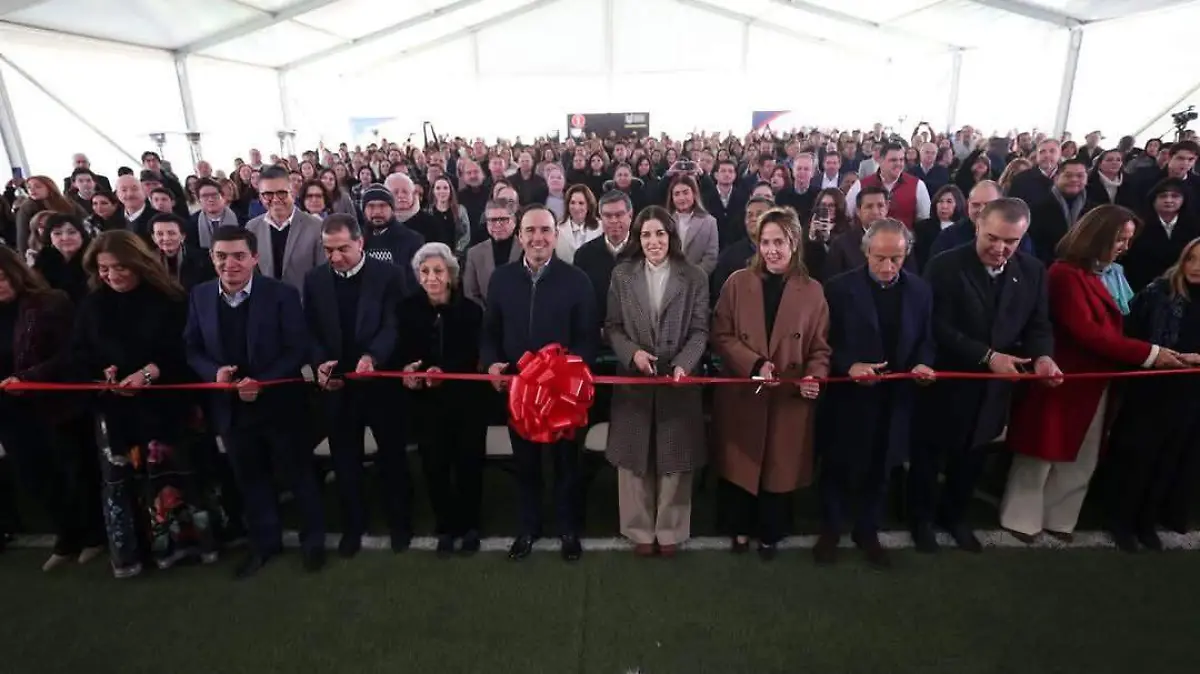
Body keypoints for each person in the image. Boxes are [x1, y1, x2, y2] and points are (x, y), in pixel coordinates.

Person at [1003, 206, 1190, 543]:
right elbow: (1087, 332)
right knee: (1041, 452)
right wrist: (1151, 354)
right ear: (1098, 236)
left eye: (1128, 240)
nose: (1124, 246)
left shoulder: (1097, 274)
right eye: (1119, 239)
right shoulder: (1064, 274)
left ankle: (1060, 519)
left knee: (1083, 454)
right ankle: (1022, 517)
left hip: (1095, 382)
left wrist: (1158, 352)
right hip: (1062, 379)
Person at [910, 198, 1062, 553]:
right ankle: (920, 520)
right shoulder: (945, 265)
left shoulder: (1034, 271)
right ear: (977, 224)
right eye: (992, 238)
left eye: (1011, 241)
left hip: (995, 390)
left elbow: (1040, 324)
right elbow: (936, 326)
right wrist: (987, 356)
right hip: (945, 382)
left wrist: (1043, 358)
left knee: (973, 456)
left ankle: (954, 517)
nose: (1000, 248)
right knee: (929, 459)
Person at [70, 230, 218, 578]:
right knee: (123, 484)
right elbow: (77, 352)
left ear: (138, 263)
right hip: (115, 412)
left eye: (120, 267)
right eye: (104, 269)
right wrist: (100, 373)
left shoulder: (170, 300)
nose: (112, 275)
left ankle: (187, 545)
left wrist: (151, 373)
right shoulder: (92, 305)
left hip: (165, 409)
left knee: (174, 480)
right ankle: (134, 552)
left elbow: (188, 351)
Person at [183, 227, 326, 578]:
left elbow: (298, 347)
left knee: (298, 476)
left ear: (254, 258)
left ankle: (314, 543)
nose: (229, 264)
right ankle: (265, 544)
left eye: (238, 256)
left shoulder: (282, 294)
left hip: (280, 406)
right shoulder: (200, 296)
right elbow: (192, 347)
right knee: (251, 480)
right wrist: (215, 373)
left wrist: (261, 383)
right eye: (221, 256)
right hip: (231, 411)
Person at [711, 207, 830, 559]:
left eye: (779, 241)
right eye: (765, 242)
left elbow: (821, 349)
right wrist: (755, 363)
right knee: (740, 465)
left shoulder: (813, 291)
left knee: (779, 468)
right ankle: (739, 529)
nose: (771, 250)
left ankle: (770, 532)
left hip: (787, 398)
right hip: (744, 393)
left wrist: (814, 377)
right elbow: (721, 334)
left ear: (794, 242)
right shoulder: (736, 282)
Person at [817, 219, 936, 568]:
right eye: (879, 258)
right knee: (838, 465)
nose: (887, 267)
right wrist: (848, 365)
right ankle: (831, 527)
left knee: (883, 468)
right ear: (866, 252)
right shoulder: (838, 289)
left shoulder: (920, 290)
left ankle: (867, 529)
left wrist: (922, 365)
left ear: (906, 255)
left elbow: (926, 339)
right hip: (848, 397)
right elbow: (823, 342)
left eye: (895, 259)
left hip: (896, 397)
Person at [481, 205, 598, 562]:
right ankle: (528, 528)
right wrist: (492, 364)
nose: (538, 238)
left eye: (545, 230)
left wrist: (564, 378)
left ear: (556, 234)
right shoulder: (500, 279)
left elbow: (587, 339)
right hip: (518, 395)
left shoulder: (577, 279)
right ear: (519, 236)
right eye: (530, 230)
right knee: (526, 465)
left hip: (562, 398)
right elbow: (489, 333)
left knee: (566, 465)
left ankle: (567, 528)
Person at [604, 206, 709, 557]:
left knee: (674, 456)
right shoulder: (622, 275)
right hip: (635, 378)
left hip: (677, 381)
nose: (653, 241)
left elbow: (699, 331)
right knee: (635, 456)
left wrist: (683, 364)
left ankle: (669, 531)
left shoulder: (694, 277)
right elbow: (613, 327)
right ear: (638, 238)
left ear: (671, 237)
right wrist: (632, 353)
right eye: (646, 234)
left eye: (660, 234)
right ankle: (639, 530)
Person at [303, 214, 410, 556]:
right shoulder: (314, 279)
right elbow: (312, 330)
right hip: (337, 386)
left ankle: (400, 523)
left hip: (380, 383)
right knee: (345, 459)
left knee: (392, 456)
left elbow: (395, 324)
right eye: (328, 250)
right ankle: (354, 524)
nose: (335, 257)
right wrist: (320, 363)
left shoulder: (389, 275)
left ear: (360, 243)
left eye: (343, 249)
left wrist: (372, 358)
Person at [0, 248, 105, 571]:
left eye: (1, 278)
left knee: (73, 469)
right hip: (9, 411)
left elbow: (70, 354)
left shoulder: (49, 302)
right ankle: (66, 535)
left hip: (55, 403)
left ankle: (93, 534)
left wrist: (28, 377)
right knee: (34, 476)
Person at [1108, 238, 1200, 550]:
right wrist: (1157, 354)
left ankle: (1147, 522)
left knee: (1170, 458)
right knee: (1138, 455)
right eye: (1192, 259)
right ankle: (1121, 521)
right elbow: (1129, 334)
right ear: (1183, 260)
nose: (1197, 267)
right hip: (1150, 387)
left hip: (1191, 394)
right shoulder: (1157, 292)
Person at [397, 243, 487, 557]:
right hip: (426, 405)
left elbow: (477, 355)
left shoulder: (472, 311)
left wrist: (445, 370)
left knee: (468, 464)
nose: (432, 277)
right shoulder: (406, 309)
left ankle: (471, 525)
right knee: (434, 466)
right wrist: (407, 369)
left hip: (466, 403)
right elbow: (401, 352)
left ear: (450, 275)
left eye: (438, 271)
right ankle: (446, 526)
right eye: (425, 272)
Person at [244, 166, 324, 291]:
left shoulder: (315, 226)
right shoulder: (252, 228)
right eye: (268, 194)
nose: (275, 199)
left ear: (292, 192)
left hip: (304, 304)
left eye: (281, 193)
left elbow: (322, 274)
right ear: (260, 197)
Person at [574, 190, 633, 331]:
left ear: (630, 215)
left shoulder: (643, 251)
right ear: (600, 217)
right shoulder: (584, 254)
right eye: (607, 215)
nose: (613, 220)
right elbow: (580, 300)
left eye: (619, 215)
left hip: (637, 336)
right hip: (596, 332)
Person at [360, 183, 425, 296]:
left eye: (382, 206)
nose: (377, 212)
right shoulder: (357, 241)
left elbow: (416, 283)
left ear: (392, 209)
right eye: (371, 206)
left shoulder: (412, 240)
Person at [710, 196, 775, 304]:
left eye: (759, 214)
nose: (753, 218)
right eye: (749, 215)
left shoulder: (784, 255)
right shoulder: (729, 257)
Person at [463, 199, 521, 309]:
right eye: (492, 220)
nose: (498, 224)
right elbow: (470, 294)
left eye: (503, 219)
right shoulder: (474, 253)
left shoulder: (526, 250)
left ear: (514, 221)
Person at [666, 174, 719, 274]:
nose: (681, 198)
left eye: (686, 193)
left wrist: (692, 277)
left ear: (694, 194)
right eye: (677, 194)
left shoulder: (709, 222)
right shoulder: (665, 221)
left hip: (697, 281)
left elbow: (711, 257)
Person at [33, 213, 91, 304]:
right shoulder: (44, 258)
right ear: (50, 238)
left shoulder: (93, 258)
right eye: (57, 233)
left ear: (82, 234)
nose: (65, 238)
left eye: (72, 232)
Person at [150, 213, 216, 291]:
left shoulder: (202, 260)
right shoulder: (148, 261)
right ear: (153, 238)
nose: (166, 238)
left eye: (171, 233)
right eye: (160, 234)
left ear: (182, 236)